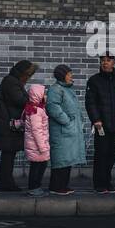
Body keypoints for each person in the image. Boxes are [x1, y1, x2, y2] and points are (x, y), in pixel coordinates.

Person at [84, 52, 115, 193]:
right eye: (103, 60)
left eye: (108, 60)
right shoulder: (94, 81)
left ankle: (108, 182)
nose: (105, 62)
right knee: (101, 155)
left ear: (114, 62)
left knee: (111, 154)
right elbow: (90, 103)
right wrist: (96, 119)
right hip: (101, 125)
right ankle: (99, 184)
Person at [0, 60, 37, 191]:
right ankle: (6, 183)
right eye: (28, 75)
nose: (28, 78)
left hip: (8, 124)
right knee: (8, 155)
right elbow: (20, 100)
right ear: (22, 73)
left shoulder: (13, 81)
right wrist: (34, 100)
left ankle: (7, 182)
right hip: (7, 125)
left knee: (9, 155)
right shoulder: (11, 82)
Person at [45, 65, 85, 195]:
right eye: (69, 74)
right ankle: (56, 186)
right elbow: (52, 108)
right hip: (61, 131)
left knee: (67, 160)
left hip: (68, 130)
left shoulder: (66, 89)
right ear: (62, 75)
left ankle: (63, 185)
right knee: (60, 160)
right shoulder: (56, 89)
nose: (71, 76)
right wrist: (67, 121)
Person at [22, 82, 50, 196]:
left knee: (37, 166)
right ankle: (34, 188)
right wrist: (43, 147)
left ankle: (35, 187)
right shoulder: (36, 111)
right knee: (38, 167)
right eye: (44, 94)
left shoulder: (32, 108)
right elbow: (36, 131)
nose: (45, 96)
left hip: (35, 145)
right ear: (38, 95)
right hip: (37, 146)